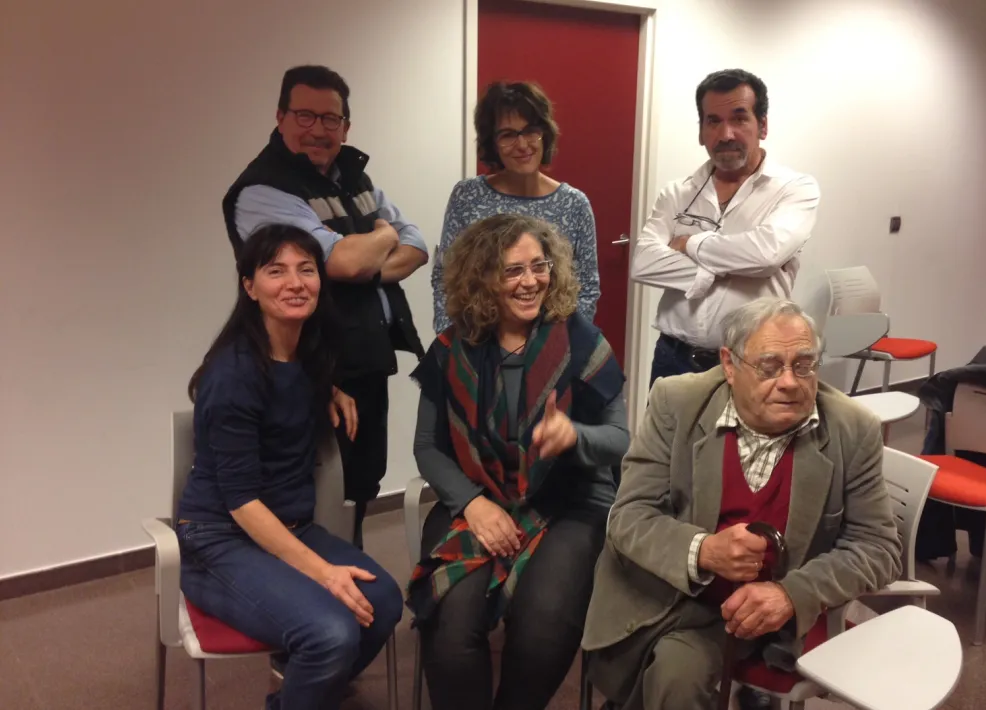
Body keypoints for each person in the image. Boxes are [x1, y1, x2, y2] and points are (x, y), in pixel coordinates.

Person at [582, 298, 901, 710]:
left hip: (765, 618)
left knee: (677, 674)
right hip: (671, 591)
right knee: (668, 672)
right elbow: (629, 515)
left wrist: (793, 593)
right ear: (729, 365)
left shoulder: (852, 429)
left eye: (804, 365)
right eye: (769, 366)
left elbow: (877, 547)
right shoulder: (677, 402)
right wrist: (703, 550)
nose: (790, 382)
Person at [176, 224, 404, 710]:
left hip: (290, 527)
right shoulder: (234, 374)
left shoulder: (308, 353)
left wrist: (331, 391)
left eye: (306, 269)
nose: (295, 283)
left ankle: (296, 694)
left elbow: (290, 391)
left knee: (383, 602)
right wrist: (324, 573)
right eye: (276, 271)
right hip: (219, 540)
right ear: (250, 287)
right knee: (330, 633)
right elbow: (241, 501)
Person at [408, 214, 629, 710]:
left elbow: (618, 439)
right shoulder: (451, 349)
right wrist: (473, 505)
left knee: (543, 624)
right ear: (482, 277)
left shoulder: (582, 344)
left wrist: (574, 435)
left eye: (539, 266)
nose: (531, 281)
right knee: (450, 624)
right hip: (476, 495)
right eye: (513, 270)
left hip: (568, 502)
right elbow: (427, 448)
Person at [222, 65, 428, 546]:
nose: (318, 129)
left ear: (346, 127)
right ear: (280, 117)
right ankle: (313, 579)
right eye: (305, 115)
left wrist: (364, 259)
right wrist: (382, 235)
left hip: (366, 359)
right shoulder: (262, 190)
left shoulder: (353, 176)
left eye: (330, 118)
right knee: (311, 491)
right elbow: (342, 261)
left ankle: (350, 570)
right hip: (306, 365)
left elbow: (417, 246)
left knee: (361, 483)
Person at [632, 69, 821, 386]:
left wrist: (690, 244)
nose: (726, 134)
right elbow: (643, 263)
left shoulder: (794, 189)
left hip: (753, 362)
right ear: (701, 131)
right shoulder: (677, 193)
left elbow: (766, 254)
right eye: (713, 121)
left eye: (739, 118)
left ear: (762, 125)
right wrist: (718, 271)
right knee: (667, 423)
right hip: (673, 358)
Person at [431, 81, 600, 333]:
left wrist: (563, 347)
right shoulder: (468, 197)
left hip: (551, 347)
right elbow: (446, 276)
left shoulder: (574, 204)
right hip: (479, 342)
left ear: (544, 134)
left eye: (530, 131)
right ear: (492, 143)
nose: (522, 145)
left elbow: (586, 289)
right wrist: (452, 344)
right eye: (508, 135)